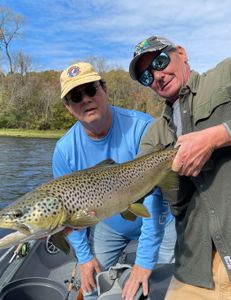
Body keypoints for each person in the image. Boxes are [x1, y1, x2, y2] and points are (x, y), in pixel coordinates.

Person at [52, 62, 176, 300]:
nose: (85, 99)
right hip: (111, 225)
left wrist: (144, 261)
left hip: (159, 219)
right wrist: (85, 258)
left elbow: (155, 197)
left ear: (105, 90)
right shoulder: (64, 151)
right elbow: (68, 213)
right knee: (89, 288)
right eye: (76, 96)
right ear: (68, 107)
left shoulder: (143, 127)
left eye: (90, 90)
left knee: (161, 286)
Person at [127, 35, 231, 300]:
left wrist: (217, 136)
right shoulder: (154, 134)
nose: (157, 76)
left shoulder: (224, 75)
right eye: (147, 77)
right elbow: (133, 189)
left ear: (181, 53)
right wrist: (82, 213)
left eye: (160, 62)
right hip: (193, 270)